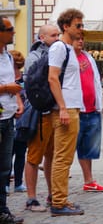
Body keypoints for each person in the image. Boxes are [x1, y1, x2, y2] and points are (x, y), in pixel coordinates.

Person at [48, 8, 86, 216]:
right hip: (65, 108)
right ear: (66, 26)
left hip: (72, 106)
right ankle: (58, 202)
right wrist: (62, 107)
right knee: (62, 157)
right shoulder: (59, 48)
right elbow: (52, 78)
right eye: (77, 25)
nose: (81, 29)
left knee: (65, 157)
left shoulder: (70, 49)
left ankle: (60, 198)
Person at [23, 24, 59, 212]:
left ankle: (52, 194)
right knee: (34, 156)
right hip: (40, 112)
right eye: (53, 35)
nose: (57, 38)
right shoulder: (35, 56)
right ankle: (31, 198)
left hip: (54, 111)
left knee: (52, 156)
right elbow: (31, 85)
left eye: (58, 34)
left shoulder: (57, 53)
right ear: (42, 37)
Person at [72, 35, 103, 193]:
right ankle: (56, 188)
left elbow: (95, 81)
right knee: (67, 150)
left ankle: (89, 180)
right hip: (75, 110)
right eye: (77, 39)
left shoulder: (87, 57)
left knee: (88, 148)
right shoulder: (67, 58)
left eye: (82, 39)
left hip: (91, 108)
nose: (81, 41)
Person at [0, 15, 24, 224]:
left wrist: (18, 100)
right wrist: (7, 89)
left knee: (5, 167)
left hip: (8, 117)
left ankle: (2, 209)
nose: (13, 32)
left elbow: (12, 81)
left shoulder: (7, 57)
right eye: (9, 29)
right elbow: (8, 84)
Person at [9, 50, 27, 193]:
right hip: (9, 119)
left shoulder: (23, 80)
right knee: (8, 154)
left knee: (20, 153)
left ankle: (19, 183)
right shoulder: (6, 80)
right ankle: (6, 183)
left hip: (22, 122)